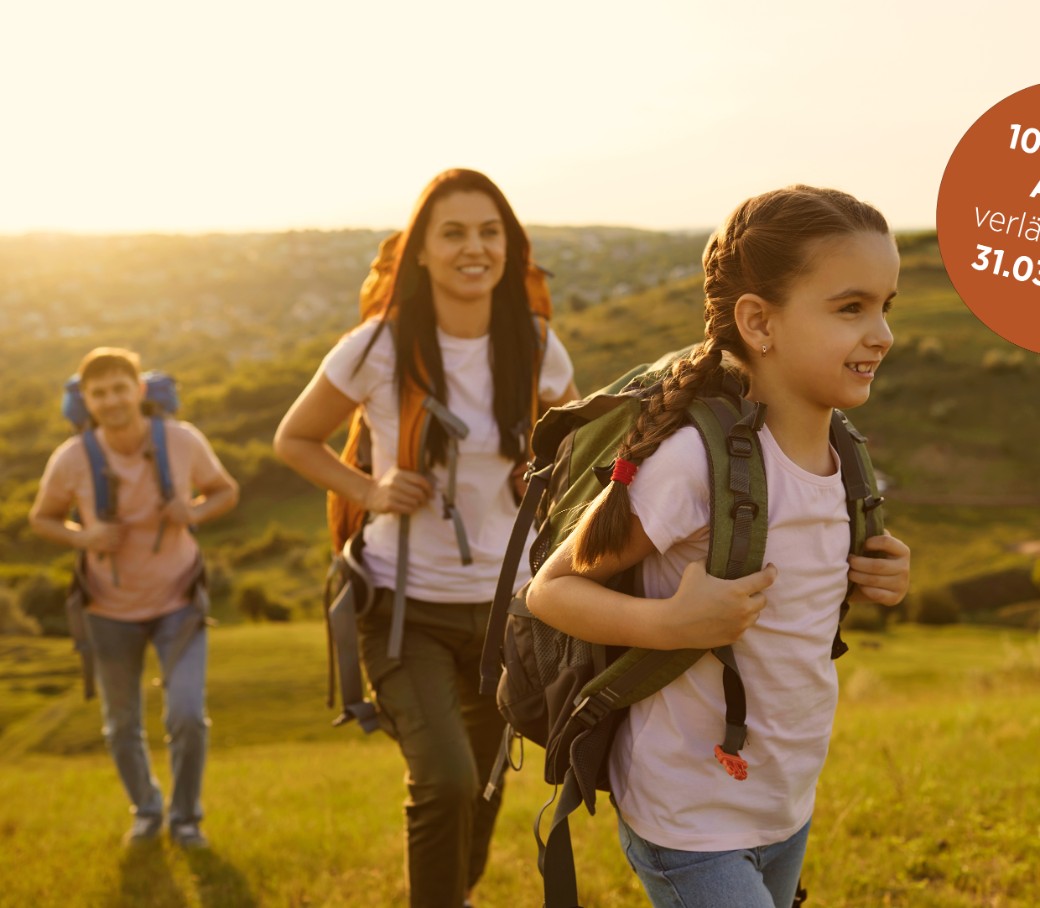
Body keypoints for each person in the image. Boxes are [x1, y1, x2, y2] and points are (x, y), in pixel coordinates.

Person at [526, 186, 911, 908]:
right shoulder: (693, 465)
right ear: (758, 322)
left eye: (887, 305)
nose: (882, 333)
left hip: (784, 800)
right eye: (851, 307)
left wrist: (876, 576)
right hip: (688, 813)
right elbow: (550, 589)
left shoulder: (845, 457)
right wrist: (669, 625)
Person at [274, 168, 578, 908]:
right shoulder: (378, 345)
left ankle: (455, 895)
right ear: (420, 252)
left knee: (478, 785)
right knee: (442, 781)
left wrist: (541, 475)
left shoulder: (536, 343)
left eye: (488, 232)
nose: (474, 248)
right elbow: (296, 439)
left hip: (507, 613)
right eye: (453, 233)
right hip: (403, 606)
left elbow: (581, 451)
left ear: (510, 247)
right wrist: (371, 489)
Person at [29, 347, 239, 848]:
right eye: (99, 393)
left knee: (186, 714)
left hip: (180, 601)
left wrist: (194, 512)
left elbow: (225, 490)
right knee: (120, 726)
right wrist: (85, 536)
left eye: (120, 388)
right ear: (87, 400)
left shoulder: (182, 441)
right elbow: (42, 517)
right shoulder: (73, 457)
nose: (112, 400)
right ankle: (146, 810)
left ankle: (186, 817)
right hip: (106, 610)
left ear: (139, 390)